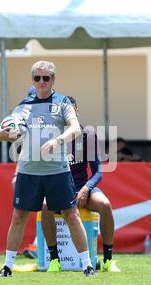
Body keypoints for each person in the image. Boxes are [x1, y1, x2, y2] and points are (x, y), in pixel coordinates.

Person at [0, 60, 95, 277]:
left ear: (53, 79)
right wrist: (7, 133)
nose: (41, 82)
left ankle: (87, 265)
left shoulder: (63, 103)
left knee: (71, 215)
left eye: (46, 78)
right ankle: (7, 266)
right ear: (32, 80)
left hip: (57, 170)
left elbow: (75, 127)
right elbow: (5, 131)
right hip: (28, 171)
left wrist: (57, 141)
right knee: (19, 217)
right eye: (37, 78)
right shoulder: (23, 106)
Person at [41, 96, 120, 272]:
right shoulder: (52, 136)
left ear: (76, 111)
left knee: (105, 205)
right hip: (61, 188)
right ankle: (55, 260)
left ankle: (108, 260)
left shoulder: (88, 134)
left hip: (83, 187)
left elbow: (98, 171)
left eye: (72, 110)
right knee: (45, 206)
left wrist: (86, 189)